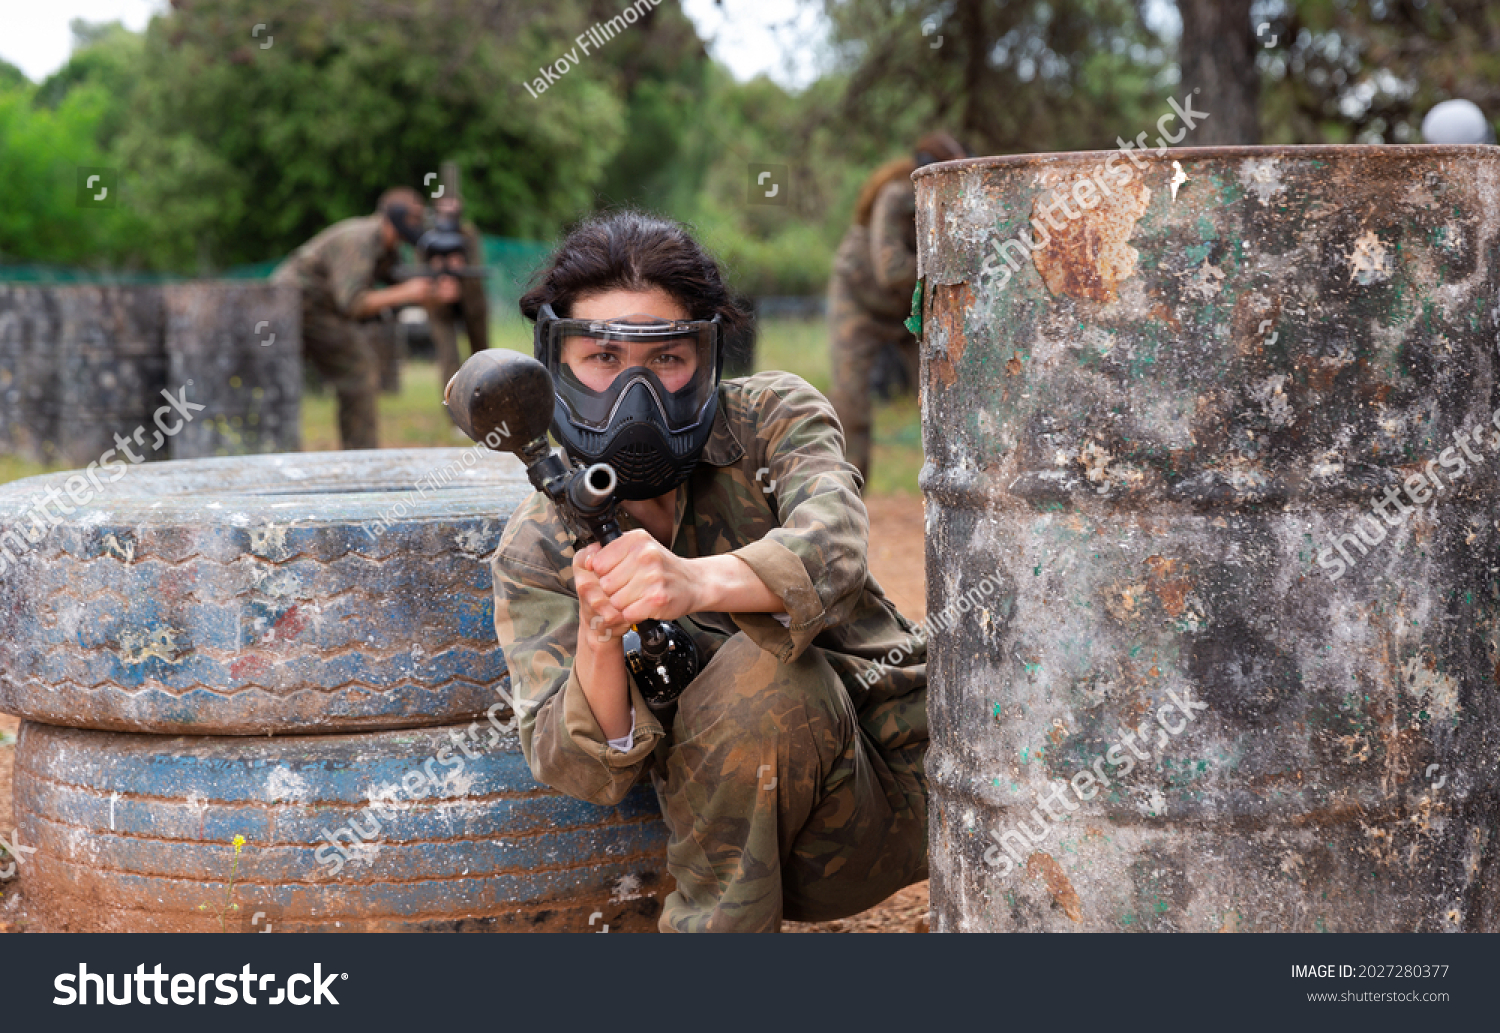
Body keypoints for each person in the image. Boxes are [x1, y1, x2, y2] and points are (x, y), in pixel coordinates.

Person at [484, 211, 929, 933]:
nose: (636, 394)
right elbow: (582, 769)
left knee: (767, 674)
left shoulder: (769, 417)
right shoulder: (541, 543)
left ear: (708, 354)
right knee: (761, 683)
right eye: (602, 356)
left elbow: (836, 539)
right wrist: (600, 633)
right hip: (758, 849)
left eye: (666, 359)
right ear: (554, 362)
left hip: (911, 791)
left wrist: (694, 582)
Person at [272, 187, 461, 449]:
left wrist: (434, 291)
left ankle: (357, 451)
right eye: (415, 220)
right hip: (297, 307)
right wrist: (408, 291)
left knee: (355, 372)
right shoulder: (360, 239)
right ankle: (360, 453)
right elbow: (353, 303)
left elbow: (399, 289)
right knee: (358, 370)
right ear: (397, 218)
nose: (419, 227)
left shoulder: (386, 247)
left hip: (311, 309)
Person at [828, 132, 968, 483]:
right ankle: (845, 501)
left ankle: (957, 489)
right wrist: (947, 271)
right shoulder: (897, 197)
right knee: (850, 406)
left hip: (907, 312)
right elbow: (891, 270)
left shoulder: (956, 202)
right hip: (859, 302)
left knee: (950, 396)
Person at [420, 194, 491, 394]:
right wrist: (438, 278)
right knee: (449, 357)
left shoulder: (468, 234)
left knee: (482, 355)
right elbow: (421, 273)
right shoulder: (427, 236)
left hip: (471, 302)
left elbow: (476, 269)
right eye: (443, 203)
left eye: (452, 202)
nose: (448, 208)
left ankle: (486, 398)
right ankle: (453, 410)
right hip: (439, 306)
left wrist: (458, 271)